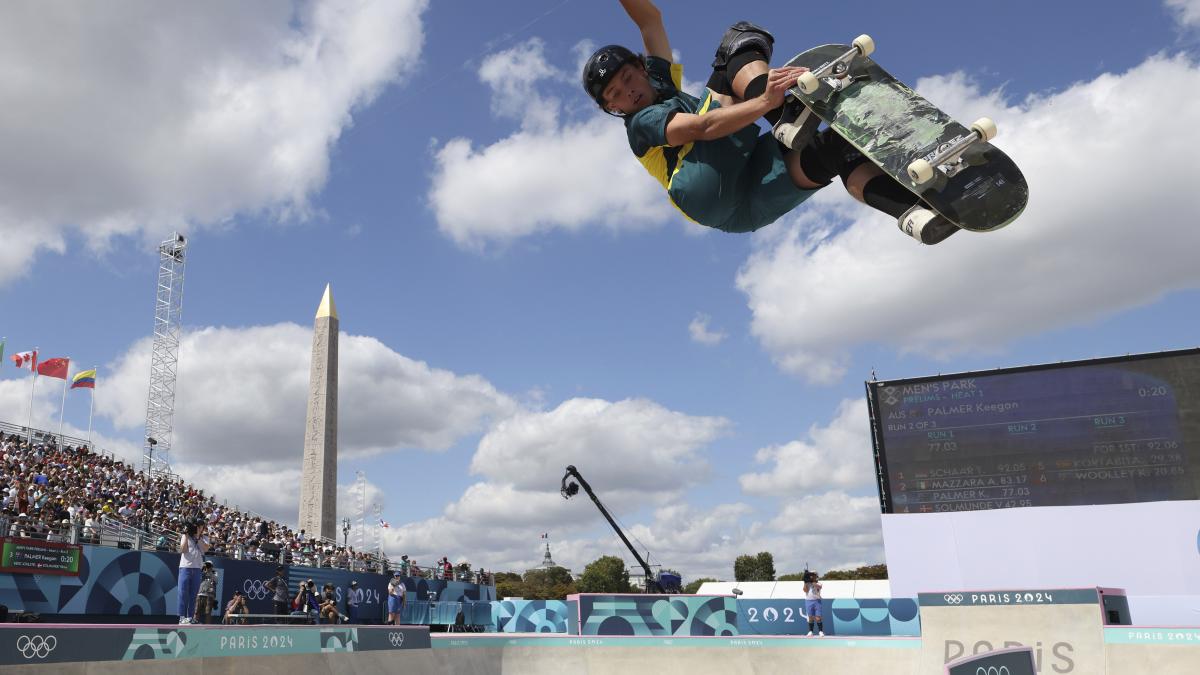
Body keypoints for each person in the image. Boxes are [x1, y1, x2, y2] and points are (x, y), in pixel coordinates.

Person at [584, 0, 958, 244]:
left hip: (742, 207)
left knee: (835, 150)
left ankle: (915, 214)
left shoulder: (658, 79)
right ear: (612, 109)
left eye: (628, 80)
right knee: (737, 44)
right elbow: (703, 128)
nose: (626, 94)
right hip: (699, 185)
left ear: (641, 68)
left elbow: (650, 20)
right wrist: (765, 100)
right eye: (614, 96)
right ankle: (785, 113)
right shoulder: (640, 124)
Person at [177, 520, 209, 624]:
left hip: (197, 569)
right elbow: (182, 550)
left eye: (201, 527)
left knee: (193, 594)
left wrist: (198, 536)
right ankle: (182, 617)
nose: (199, 528)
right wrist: (186, 535)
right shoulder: (185, 536)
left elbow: (205, 549)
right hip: (185, 567)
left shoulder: (204, 538)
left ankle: (190, 617)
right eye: (198, 527)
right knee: (183, 593)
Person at [803, 571, 824, 637]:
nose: (811, 576)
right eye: (810, 575)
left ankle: (820, 631)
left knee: (818, 617)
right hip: (808, 601)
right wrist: (805, 582)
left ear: (816, 576)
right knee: (810, 617)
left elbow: (819, 587)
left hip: (817, 601)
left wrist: (811, 581)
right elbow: (805, 590)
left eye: (813, 575)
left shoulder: (819, 583)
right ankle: (810, 631)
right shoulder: (808, 583)